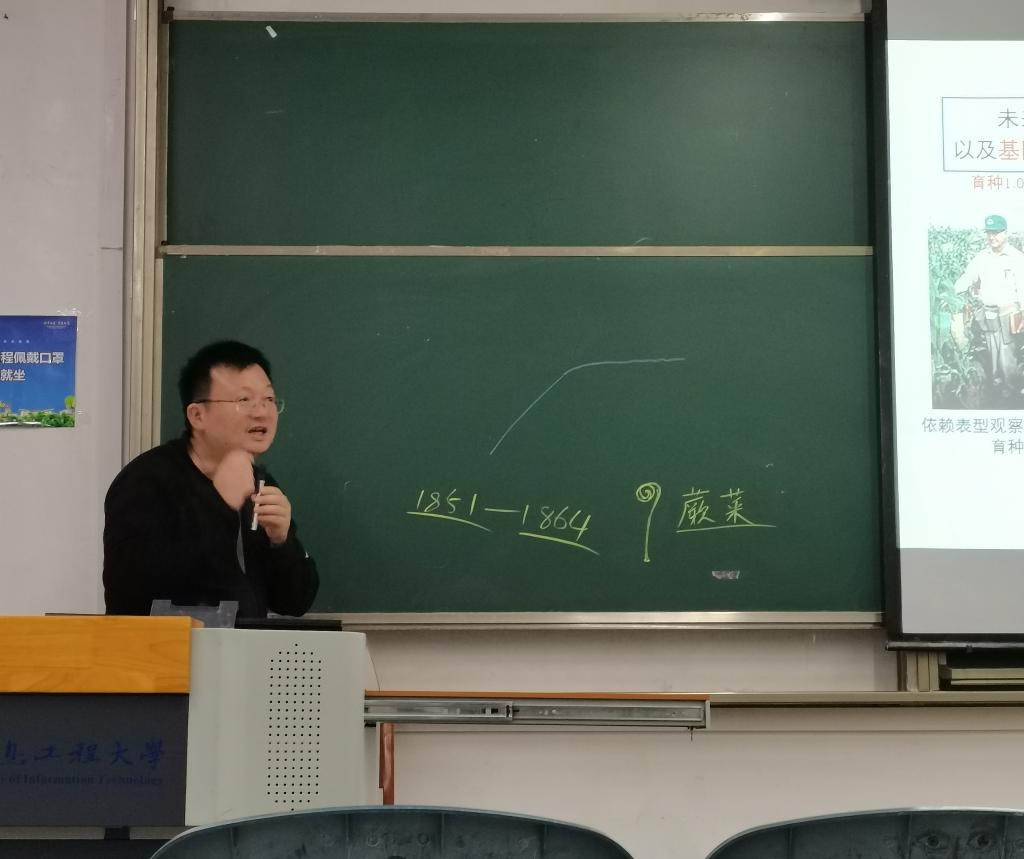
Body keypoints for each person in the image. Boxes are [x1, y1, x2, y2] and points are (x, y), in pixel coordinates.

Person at [103, 341, 319, 617]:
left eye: (268, 399)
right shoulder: (146, 481)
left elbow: (296, 601)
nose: (261, 412)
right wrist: (219, 504)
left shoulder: (261, 483)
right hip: (171, 644)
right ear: (197, 415)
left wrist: (280, 541)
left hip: (244, 644)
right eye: (244, 400)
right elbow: (134, 591)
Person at [955, 214, 1024, 389]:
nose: (992, 237)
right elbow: (968, 278)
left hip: (1009, 314)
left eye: (996, 233)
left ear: (1005, 233)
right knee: (992, 353)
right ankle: (996, 389)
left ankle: (1011, 391)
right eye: (989, 233)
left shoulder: (1016, 258)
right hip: (988, 314)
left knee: (1008, 354)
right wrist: (952, 291)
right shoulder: (981, 258)